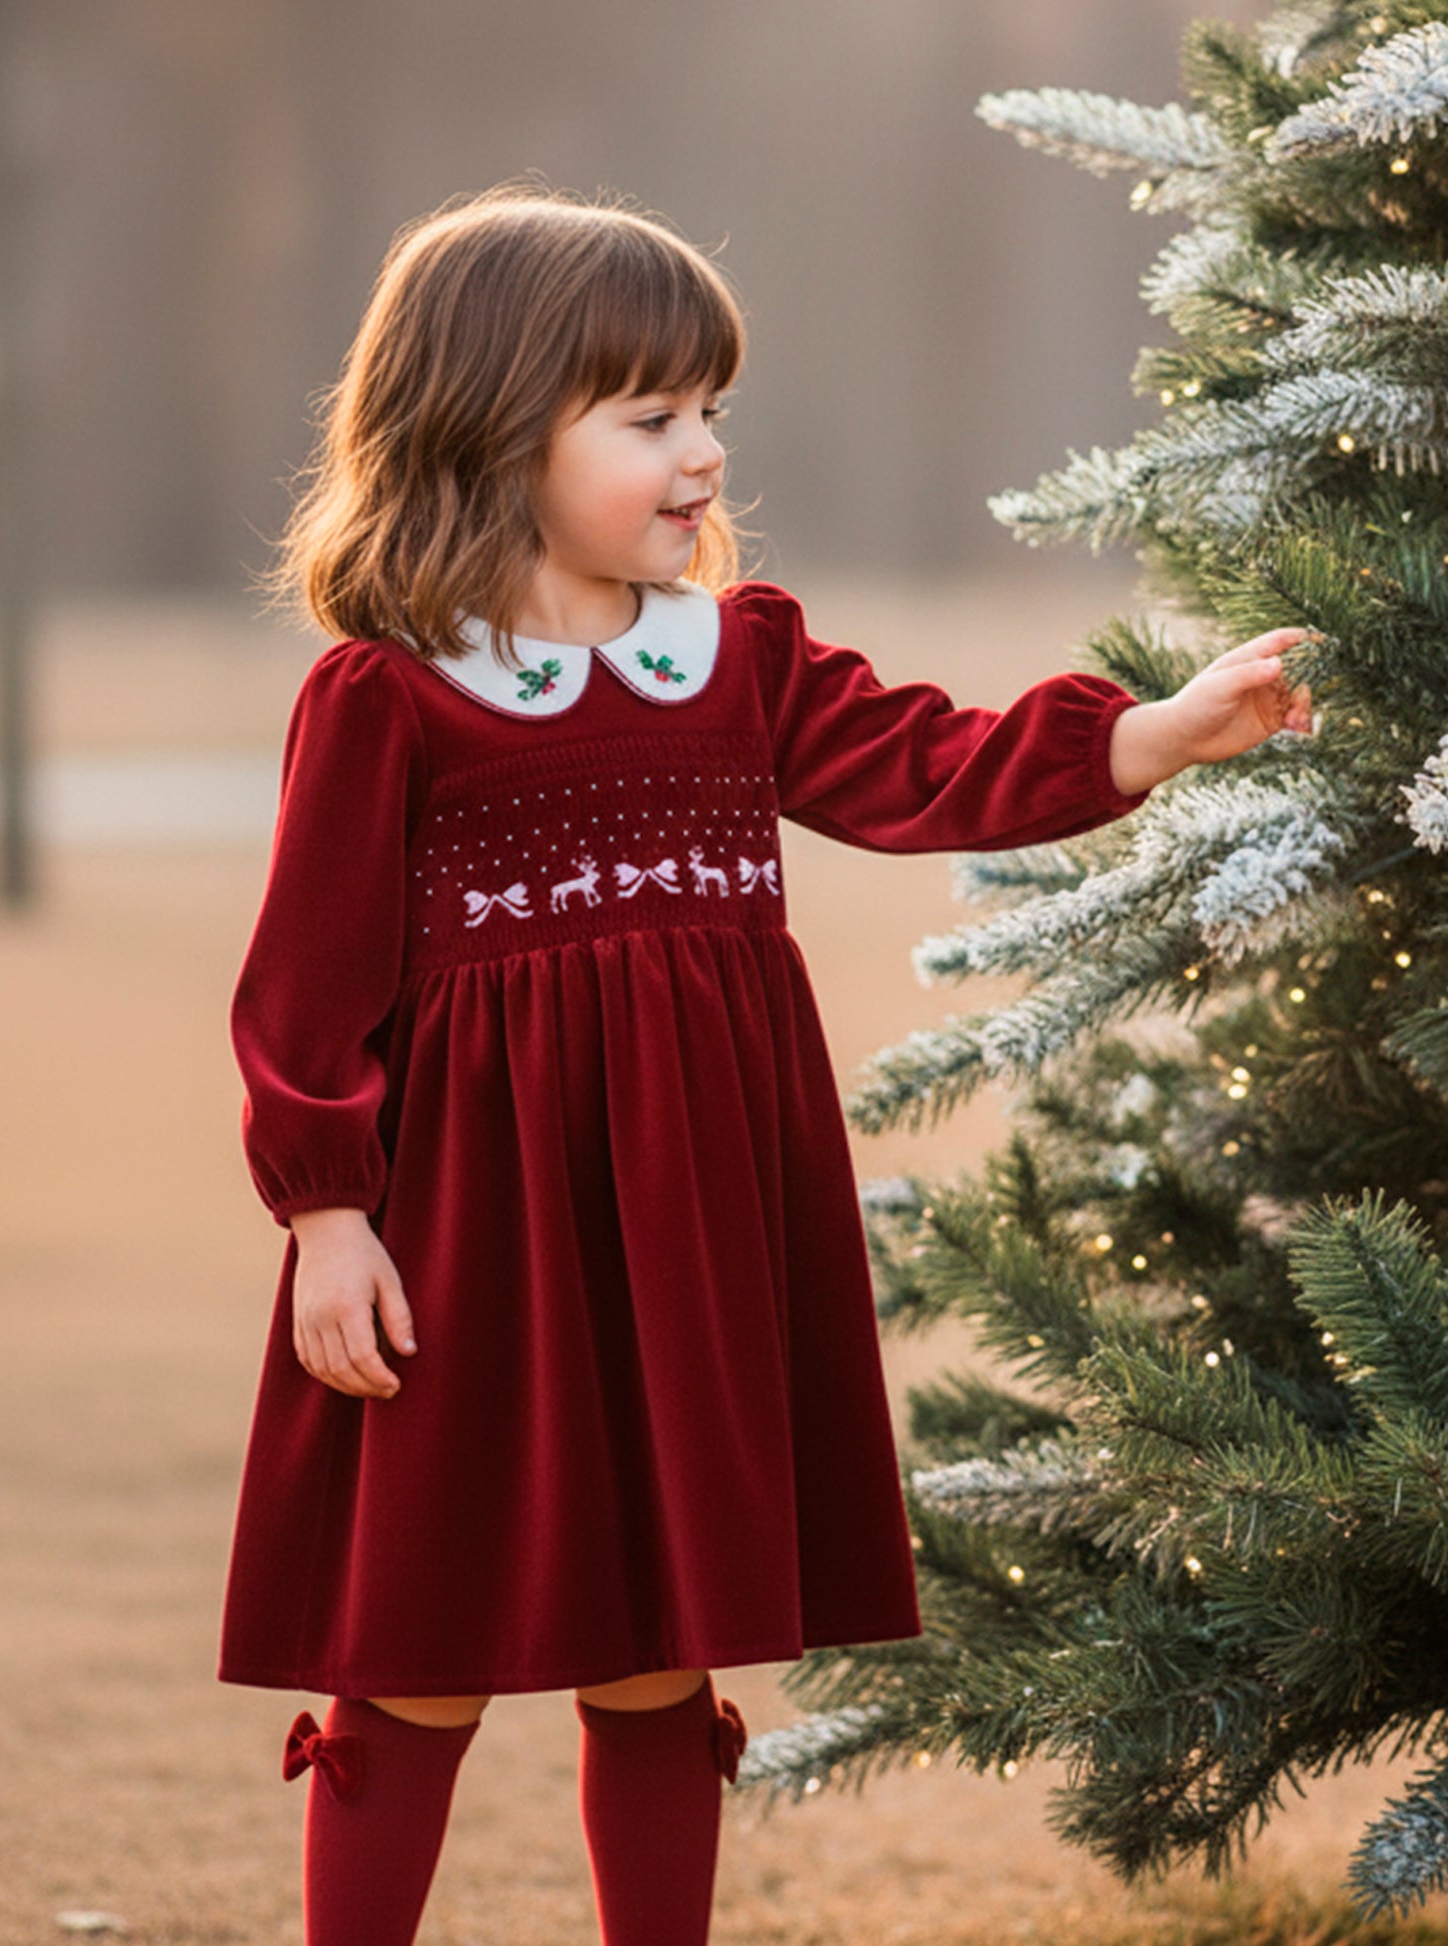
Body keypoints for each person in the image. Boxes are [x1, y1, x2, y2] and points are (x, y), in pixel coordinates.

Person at [222, 183, 1311, 1946]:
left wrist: (1151, 732)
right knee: (417, 1643)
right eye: (650, 416)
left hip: (683, 1235)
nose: (704, 453)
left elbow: (930, 765)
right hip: (472, 1246)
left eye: (710, 410)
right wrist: (328, 1218)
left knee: (662, 1646)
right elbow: (303, 989)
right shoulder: (392, 695)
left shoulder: (733, 657)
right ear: (494, 428)